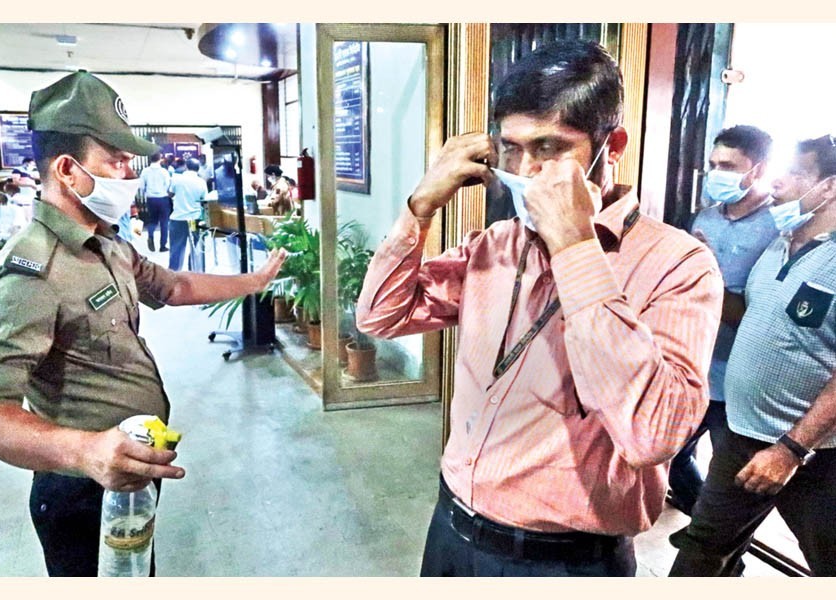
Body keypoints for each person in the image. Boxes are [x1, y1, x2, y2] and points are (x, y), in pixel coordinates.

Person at [356, 40, 723, 577]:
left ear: (610, 146)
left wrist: (575, 250)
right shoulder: (497, 243)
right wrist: (421, 206)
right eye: (510, 148)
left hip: (564, 561)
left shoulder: (677, 264)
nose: (525, 170)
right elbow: (381, 316)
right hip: (452, 526)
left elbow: (653, 433)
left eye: (550, 148)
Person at [0, 70, 286, 577]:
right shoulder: (32, 271)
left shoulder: (106, 240)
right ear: (67, 169)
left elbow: (171, 287)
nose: (130, 173)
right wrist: (87, 451)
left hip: (129, 471)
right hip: (80, 488)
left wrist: (254, 282)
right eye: (117, 159)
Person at [669, 135, 836, 577]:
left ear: (829, 187)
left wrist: (791, 450)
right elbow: (753, 316)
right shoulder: (781, 245)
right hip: (742, 433)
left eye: (795, 173)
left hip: (813, 450)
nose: (778, 182)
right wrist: (704, 270)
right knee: (703, 550)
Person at [667, 125, 780, 515]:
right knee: (669, 455)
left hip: (741, 379)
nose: (717, 173)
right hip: (695, 367)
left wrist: (708, 270)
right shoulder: (706, 218)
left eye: (728, 166)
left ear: (758, 169)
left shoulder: (779, 228)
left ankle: (715, 546)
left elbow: (764, 314)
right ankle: (699, 521)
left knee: (732, 479)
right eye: (713, 164)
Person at [167, 157, 206, 272]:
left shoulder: (177, 179)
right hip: (194, 220)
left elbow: (170, 193)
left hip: (178, 219)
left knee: (176, 249)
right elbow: (204, 200)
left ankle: (174, 273)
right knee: (196, 247)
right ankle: (194, 270)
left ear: (186, 166)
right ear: (198, 169)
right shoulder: (201, 182)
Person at [139, 152, 172, 252]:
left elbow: (141, 186)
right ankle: (162, 246)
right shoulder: (164, 171)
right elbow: (168, 185)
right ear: (160, 159)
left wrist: (145, 194)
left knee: (152, 220)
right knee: (164, 222)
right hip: (163, 199)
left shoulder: (145, 171)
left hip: (151, 199)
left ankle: (150, 236)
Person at [11, 157, 40, 222]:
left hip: (31, 196)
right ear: (27, 163)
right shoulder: (17, 170)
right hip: (22, 196)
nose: (34, 166)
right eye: (33, 164)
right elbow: (16, 182)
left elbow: (39, 177)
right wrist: (30, 185)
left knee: (32, 215)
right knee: (25, 218)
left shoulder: (31, 171)